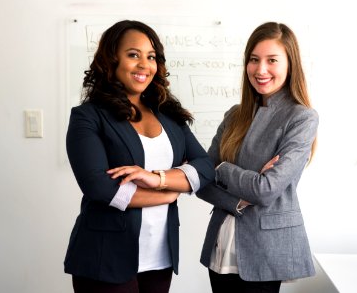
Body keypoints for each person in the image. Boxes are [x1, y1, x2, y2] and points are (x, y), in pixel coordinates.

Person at [63, 20, 215, 293]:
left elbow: (205, 168)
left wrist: (156, 179)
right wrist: (168, 193)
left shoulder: (169, 114)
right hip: (105, 257)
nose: (145, 64)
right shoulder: (88, 116)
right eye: (133, 55)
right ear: (111, 60)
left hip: (159, 257)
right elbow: (99, 187)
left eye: (151, 56)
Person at [196, 22, 318, 293]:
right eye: (254, 60)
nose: (260, 69)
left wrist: (222, 168)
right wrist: (237, 200)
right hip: (221, 244)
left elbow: (265, 190)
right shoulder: (234, 115)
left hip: (265, 250)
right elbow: (202, 181)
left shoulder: (301, 118)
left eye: (272, 60)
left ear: (290, 64)